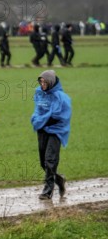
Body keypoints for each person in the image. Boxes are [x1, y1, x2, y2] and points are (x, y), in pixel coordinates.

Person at [31, 70, 71, 200]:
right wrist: (37, 120)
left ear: (51, 82)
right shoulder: (39, 93)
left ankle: (47, 191)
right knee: (44, 162)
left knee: (50, 160)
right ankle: (59, 180)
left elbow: (59, 116)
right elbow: (37, 110)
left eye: (45, 82)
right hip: (42, 130)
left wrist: (42, 120)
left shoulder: (61, 97)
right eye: (41, 81)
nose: (42, 84)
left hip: (55, 131)